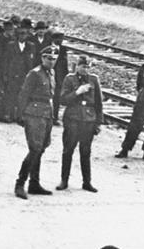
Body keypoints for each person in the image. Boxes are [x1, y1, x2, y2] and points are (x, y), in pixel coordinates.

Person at [14, 46, 57, 199]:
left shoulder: (51, 73)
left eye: (54, 59)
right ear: (42, 58)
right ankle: (20, 183)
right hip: (34, 113)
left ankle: (34, 183)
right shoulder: (34, 74)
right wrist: (20, 115)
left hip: (46, 114)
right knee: (35, 148)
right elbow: (24, 94)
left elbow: (51, 95)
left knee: (42, 148)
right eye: (48, 58)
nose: (51, 62)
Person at [57, 55, 103, 193]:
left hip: (88, 120)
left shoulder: (94, 79)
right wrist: (77, 92)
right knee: (68, 150)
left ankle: (87, 182)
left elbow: (99, 103)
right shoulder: (69, 79)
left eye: (88, 66)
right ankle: (64, 180)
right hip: (72, 119)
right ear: (77, 66)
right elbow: (63, 100)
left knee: (85, 151)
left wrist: (98, 123)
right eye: (83, 66)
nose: (85, 69)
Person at [116, 49, 144, 160]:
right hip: (142, 100)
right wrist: (143, 93)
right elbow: (139, 84)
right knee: (134, 125)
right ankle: (125, 149)